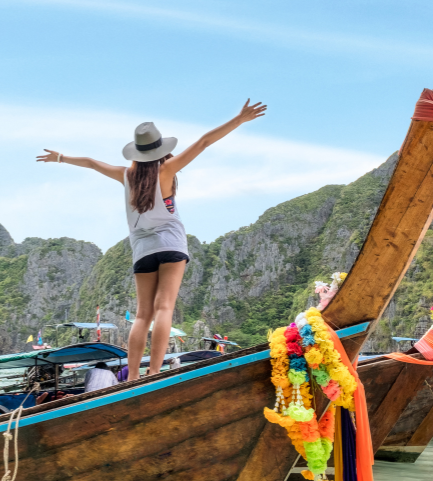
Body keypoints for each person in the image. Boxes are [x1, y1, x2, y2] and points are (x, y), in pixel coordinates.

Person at [37, 99, 267, 380]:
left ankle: (132, 376)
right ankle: (155, 371)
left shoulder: (126, 175)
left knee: (142, 314)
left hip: (142, 250)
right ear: (160, 150)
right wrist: (238, 120)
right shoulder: (166, 171)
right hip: (170, 243)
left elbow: (93, 163)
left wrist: (61, 158)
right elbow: (204, 142)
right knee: (164, 308)